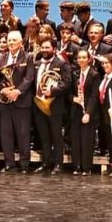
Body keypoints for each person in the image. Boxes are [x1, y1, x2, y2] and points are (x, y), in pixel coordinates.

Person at [0, 30, 35, 173]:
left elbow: (29, 78)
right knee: (6, 134)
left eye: (14, 40)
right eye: (9, 40)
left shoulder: (28, 58)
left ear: (21, 43)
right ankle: (9, 163)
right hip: (4, 103)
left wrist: (18, 91)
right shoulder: (0, 59)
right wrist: (1, 90)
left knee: (23, 134)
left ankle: (24, 164)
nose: (10, 43)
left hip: (21, 102)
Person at [32, 38, 70, 175]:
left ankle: (58, 164)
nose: (44, 50)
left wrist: (52, 91)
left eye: (47, 47)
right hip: (38, 105)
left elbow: (66, 83)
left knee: (56, 136)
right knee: (44, 136)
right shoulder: (36, 64)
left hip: (54, 106)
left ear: (54, 48)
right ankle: (46, 162)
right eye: (42, 47)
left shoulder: (62, 64)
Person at [69, 49, 99, 176]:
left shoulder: (94, 74)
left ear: (89, 59)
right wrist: (73, 99)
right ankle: (77, 165)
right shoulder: (75, 74)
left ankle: (86, 167)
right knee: (75, 140)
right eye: (79, 57)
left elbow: (94, 95)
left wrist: (88, 113)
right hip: (76, 110)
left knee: (87, 140)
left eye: (83, 57)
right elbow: (68, 92)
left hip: (88, 111)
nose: (81, 59)